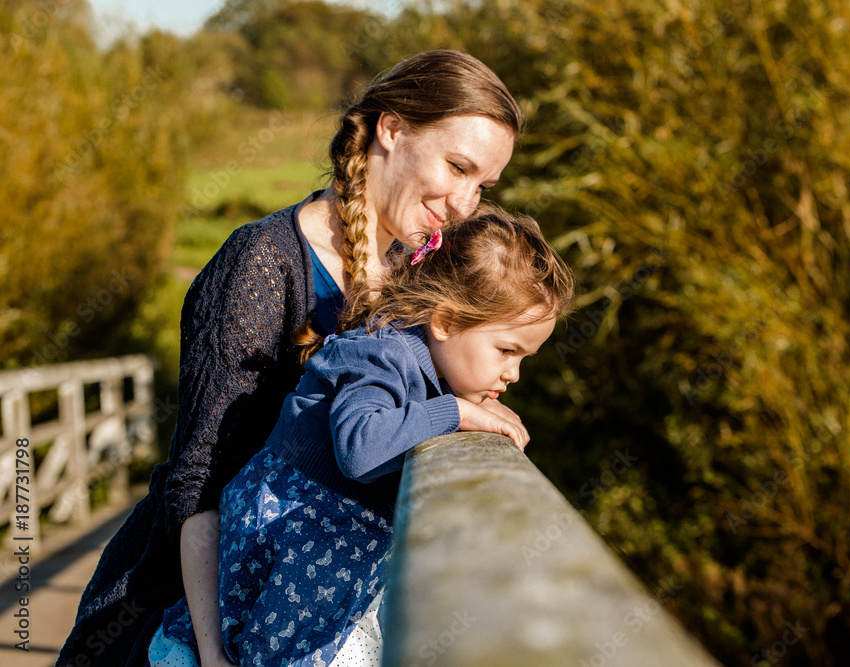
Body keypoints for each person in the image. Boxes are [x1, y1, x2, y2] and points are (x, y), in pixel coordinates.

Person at [57, 50, 524, 667]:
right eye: (457, 166)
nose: (465, 202)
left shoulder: (423, 269)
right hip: (184, 618)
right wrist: (213, 652)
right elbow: (198, 482)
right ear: (391, 129)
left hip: (297, 619)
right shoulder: (262, 263)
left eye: (483, 185)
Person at [152, 208, 576, 666]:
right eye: (506, 351)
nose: (513, 374)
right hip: (294, 548)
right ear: (447, 322)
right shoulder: (380, 353)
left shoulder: (426, 363)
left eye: (523, 359)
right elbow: (361, 448)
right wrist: (454, 411)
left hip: (324, 569)